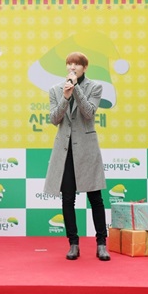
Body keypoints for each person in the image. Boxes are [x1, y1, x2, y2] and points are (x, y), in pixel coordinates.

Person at [44, 52, 110, 261]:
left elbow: (89, 112)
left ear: (84, 68)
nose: (72, 67)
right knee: (67, 199)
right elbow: (54, 119)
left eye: (77, 64)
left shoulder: (95, 87)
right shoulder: (56, 90)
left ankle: (101, 244)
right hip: (65, 151)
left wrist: (76, 89)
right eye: (69, 64)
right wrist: (65, 97)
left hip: (87, 150)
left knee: (95, 199)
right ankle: (73, 243)